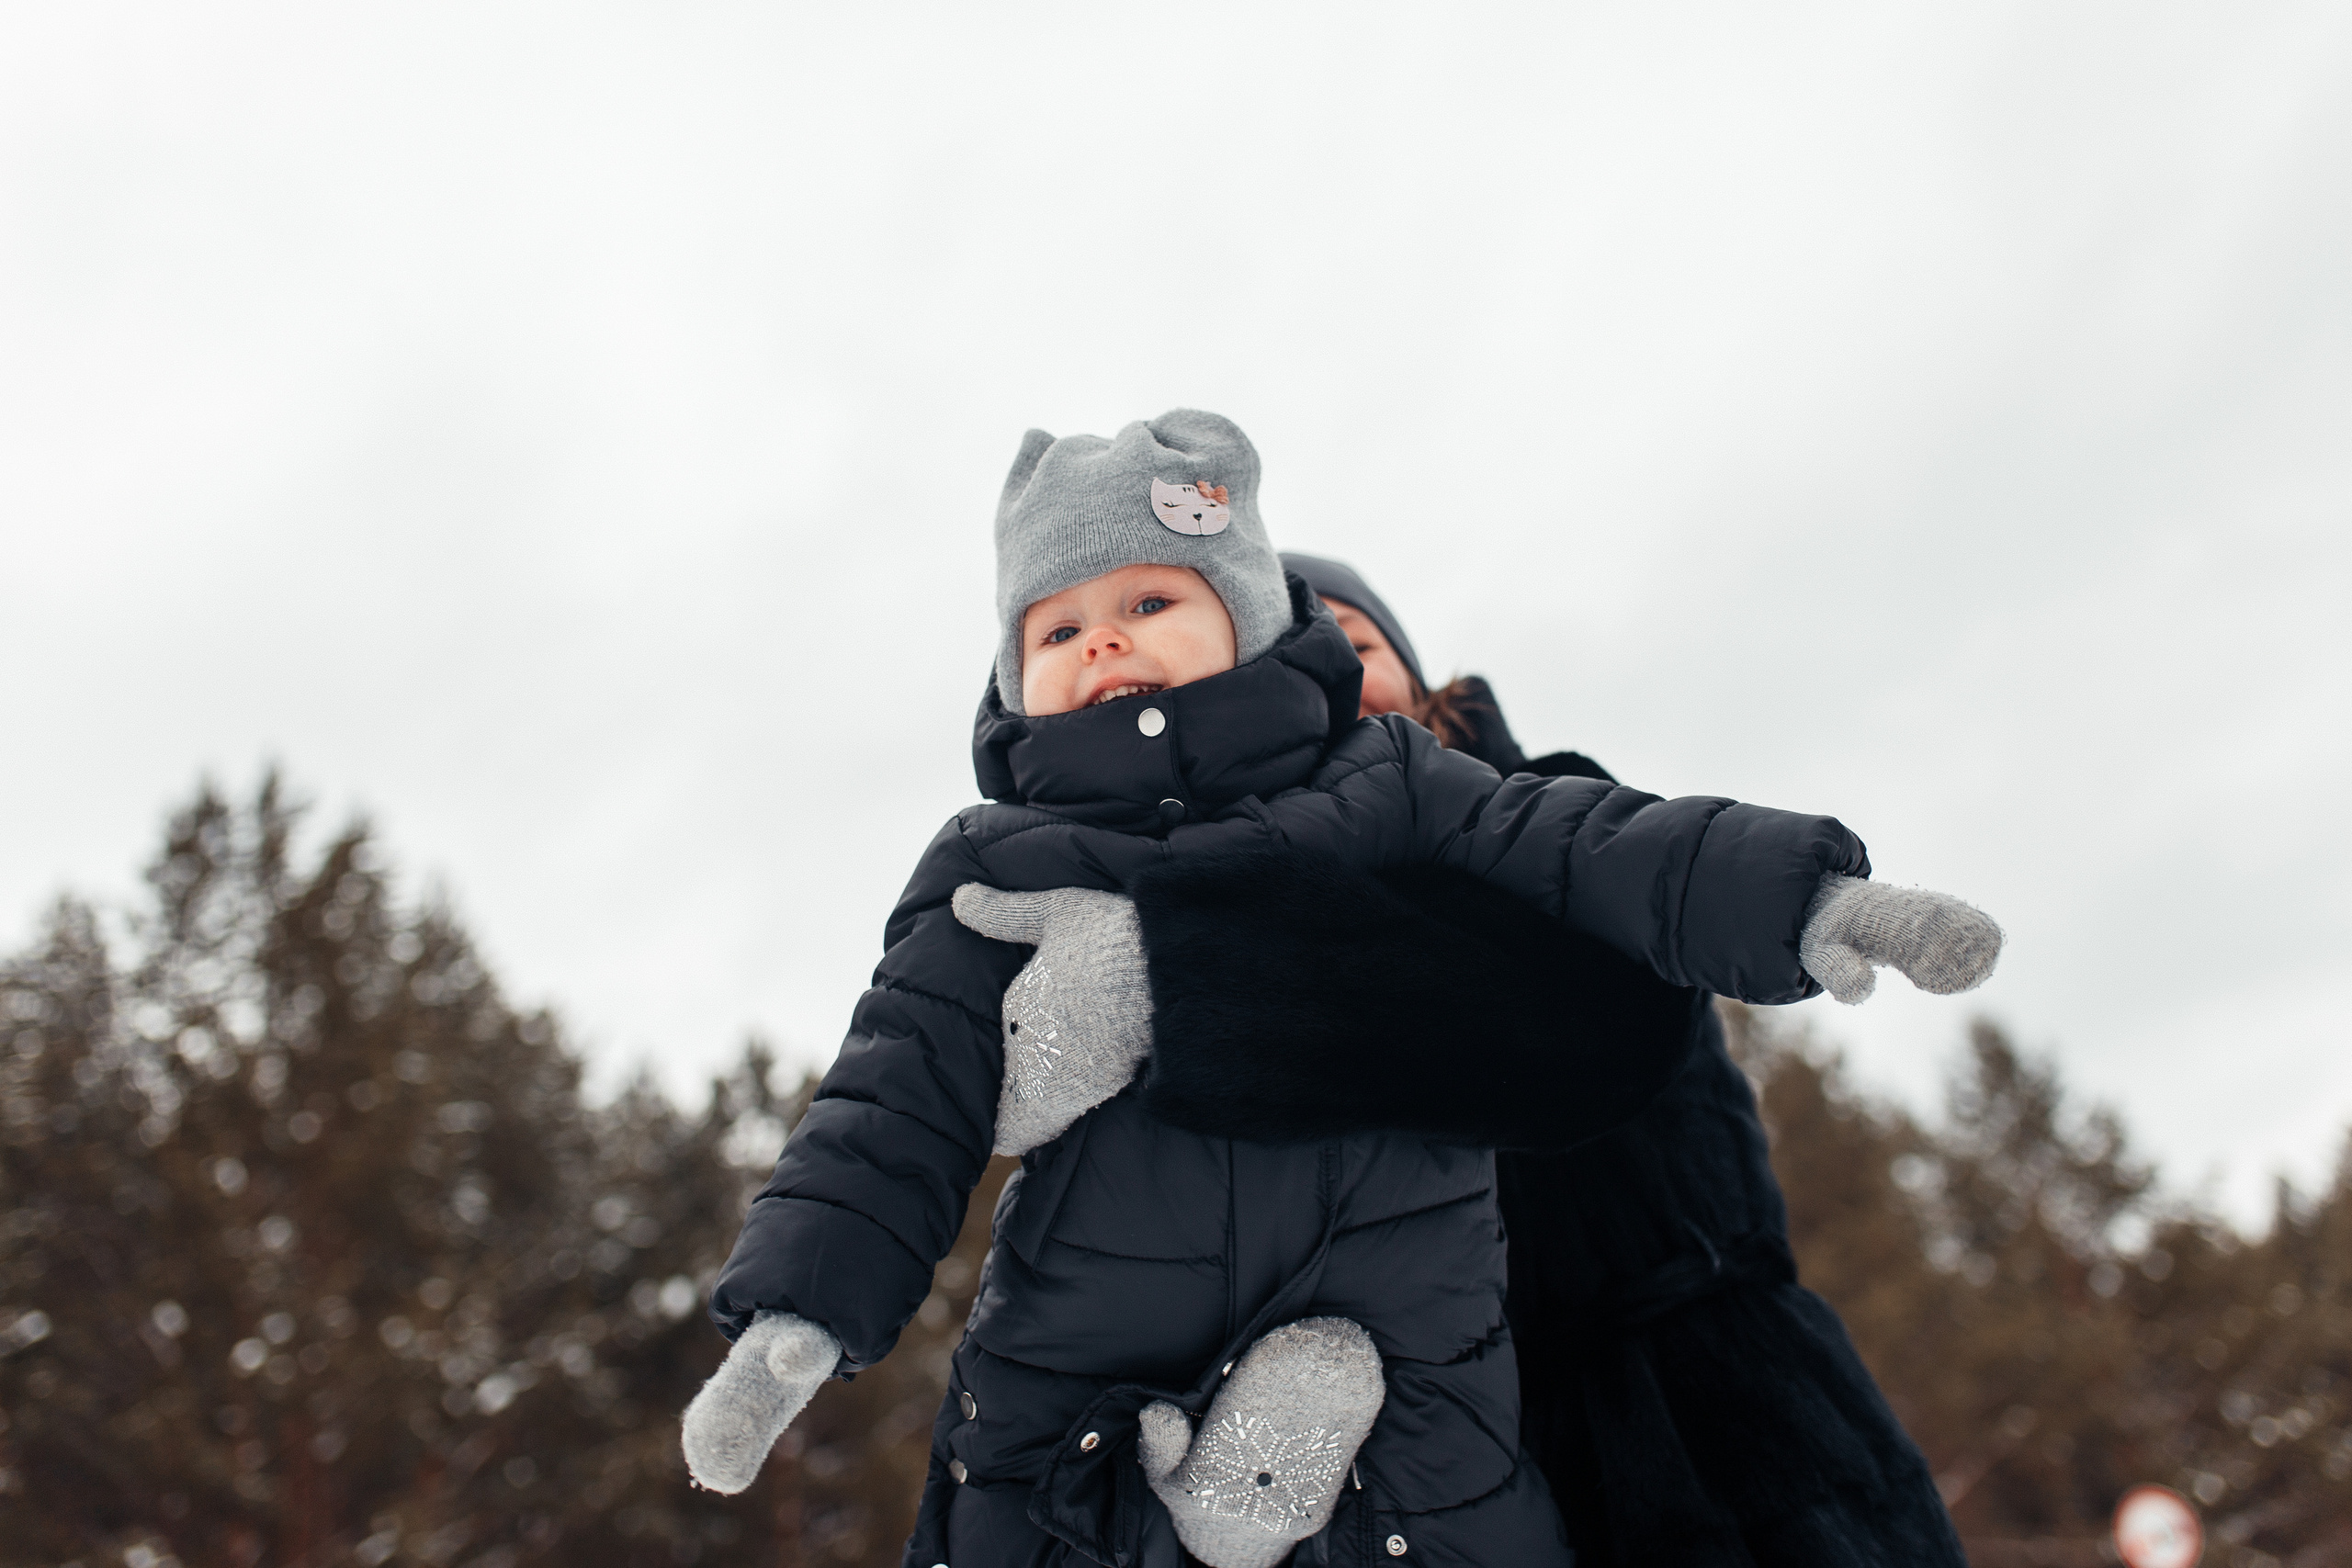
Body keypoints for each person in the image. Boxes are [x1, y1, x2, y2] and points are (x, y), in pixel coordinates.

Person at [676, 411, 1999, 1568]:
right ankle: (1225, 1486)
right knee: (1063, 1472)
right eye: (1063, 626)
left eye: (1358, 637)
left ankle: (1246, 1475)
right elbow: (893, 1090)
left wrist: (1809, 897)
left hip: (1672, 1395)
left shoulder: (1461, 803)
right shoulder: (1013, 850)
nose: (1107, 645)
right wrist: (801, 1305)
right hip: (1197, 1316)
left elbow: (1611, 920)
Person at [1110, 554, 1975, 1565]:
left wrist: (1186, 971)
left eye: (1352, 641)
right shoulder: (1240, 889)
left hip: (1712, 1401)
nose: (1329, 670)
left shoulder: (1557, 810)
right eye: (1289, 659)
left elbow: (1578, 1043)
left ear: (1420, 675)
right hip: (1443, 1448)